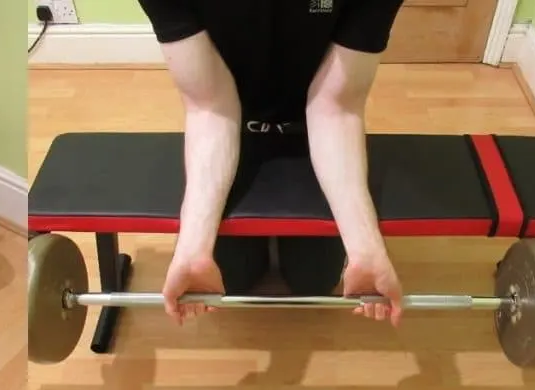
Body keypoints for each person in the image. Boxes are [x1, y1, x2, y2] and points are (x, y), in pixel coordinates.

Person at [137, 0, 406, 327]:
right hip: (232, 124)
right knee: (235, 280)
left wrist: (365, 249)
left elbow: (336, 108)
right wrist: (193, 249)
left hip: (313, 129)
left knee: (314, 282)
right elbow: (211, 108)